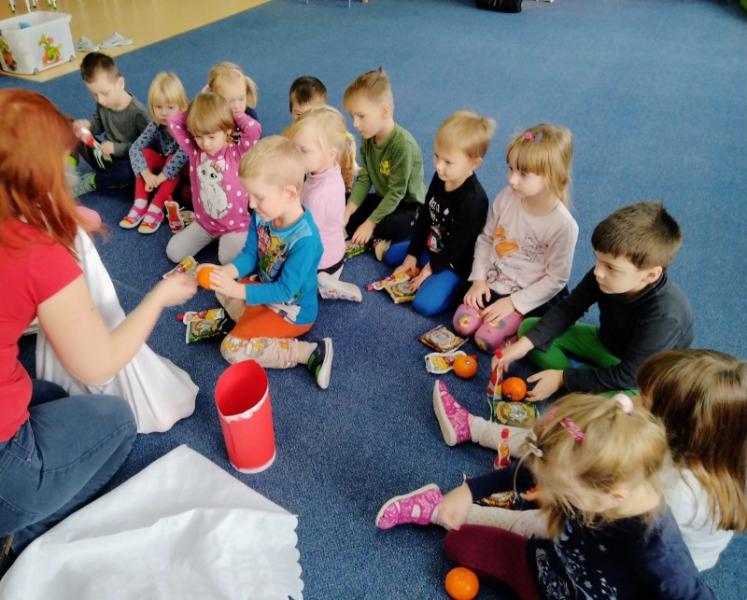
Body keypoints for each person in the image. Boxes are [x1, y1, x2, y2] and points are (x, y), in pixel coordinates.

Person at [0, 89, 197, 564]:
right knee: (116, 420)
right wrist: (159, 297)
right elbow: (99, 364)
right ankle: (22, 535)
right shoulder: (36, 253)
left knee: (49, 394)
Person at [377, 393, 716, 599]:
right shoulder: (593, 478)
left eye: (562, 490)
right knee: (459, 542)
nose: (547, 491)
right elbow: (538, 468)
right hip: (543, 566)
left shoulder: (660, 550)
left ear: (613, 495)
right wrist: (470, 490)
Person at [498, 200, 693, 401]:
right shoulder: (604, 276)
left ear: (650, 275)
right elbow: (568, 309)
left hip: (636, 373)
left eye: (610, 267)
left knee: (624, 400)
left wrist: (563, 378)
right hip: (605, 343)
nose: (598, 271)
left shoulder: (666, 316)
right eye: (598, 260)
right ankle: (586, 383)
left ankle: (582, 383)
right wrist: (524, 345)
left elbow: (629, 376)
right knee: (529, 329)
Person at [207, 136, 334, 389]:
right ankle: (252, 322)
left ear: (289, 193)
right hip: (265, 291)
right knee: (221, 290)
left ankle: (308, 351)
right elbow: (250, 254)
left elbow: (285, 291)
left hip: (292, 311)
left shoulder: (306, 240)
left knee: (231, 349)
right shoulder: (263, 214)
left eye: (259, 197)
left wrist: (239, 290)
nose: (251, 204)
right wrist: (227, 272)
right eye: (249, 195)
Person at [452, 124, 578, 352]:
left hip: (526, 293)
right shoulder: (506, 197)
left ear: (552, 176)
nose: (512, 179)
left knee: (486, 340)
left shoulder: (563, 226)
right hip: (493, 280)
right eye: (511, 168)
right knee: (462, 325)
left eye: (523, 174)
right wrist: (479, 279)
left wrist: (514, 303)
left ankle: (519, 325)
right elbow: (486, 239)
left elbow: (556, 279)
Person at [637, 349, 747, 570]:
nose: (633, 404)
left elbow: (632, 528)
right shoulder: (728, 451)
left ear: (680, 430)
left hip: (667, 562)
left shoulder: (677, 492)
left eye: (644, 404)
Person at [383, 111, 494, 316]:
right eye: (436, 156)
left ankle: (450, 289)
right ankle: (422, 264)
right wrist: (412, 254)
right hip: (431, 247)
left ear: (474, 163)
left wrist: (429, 269)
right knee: (391, 256)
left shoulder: (475, 201)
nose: (439, 166)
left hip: (454, 263)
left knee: (424, 305)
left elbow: (457, 247)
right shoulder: (441, 176)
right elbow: (426, 216)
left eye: (448, 162)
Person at [165, 92, 262, 264]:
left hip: (234, 227)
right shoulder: (195, 151)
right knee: (173, 252)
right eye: (199, 136)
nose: (205, 143)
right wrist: (198, 113)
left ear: (227, 130)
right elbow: (173, 122)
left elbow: (254, 129)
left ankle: (241, 238)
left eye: (211, 136)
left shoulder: (237, 153)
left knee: (227, 259)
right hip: (204, 224)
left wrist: (228, 113)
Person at [342, 68, 425, 260]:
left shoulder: (402, 145)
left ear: (384, 111)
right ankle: (374, 239)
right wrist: (346, 212)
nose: (355, 124)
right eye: (352, 117)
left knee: (391, 225)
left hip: (408, 206)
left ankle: (374, 237)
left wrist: (370, 223)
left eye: (361, 116)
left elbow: (396, 193)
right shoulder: (368, 137)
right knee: (344, 203)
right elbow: (365, 178)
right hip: (384, 199)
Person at [284, 106, 362, 302]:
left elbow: (305, 242)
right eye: (296, 149)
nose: (297, 156)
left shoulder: (319, 196)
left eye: (304, 151)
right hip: (333, 252)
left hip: (323, 264)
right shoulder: (328, 169)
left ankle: (323, 284)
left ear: (330, 153)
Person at [71, 52, 149, 196]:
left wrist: (116, 148)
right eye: (94, 95)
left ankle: (93, 181)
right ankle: (69, 171)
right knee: (74, 127)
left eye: (104, 93)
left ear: (120, 83)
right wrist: (88, 125)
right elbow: (98, 125)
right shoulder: (103, 103)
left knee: (128, 171)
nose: (100, 100)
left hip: (128, 161)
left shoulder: (138, 113)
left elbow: (147, 148)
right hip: (105, 155)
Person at [122, 72, 189, 233]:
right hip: (162, 168)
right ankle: (140, 203)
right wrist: (146, 174)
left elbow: (182, 156)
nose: (164, 113)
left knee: (172, 158)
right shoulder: (155, 125)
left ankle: (156, 208)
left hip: (181, 171)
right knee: (145, 153)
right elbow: (135, 148)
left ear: (181, 107)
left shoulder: (185, 127)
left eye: (170, 107)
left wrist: (159, 178)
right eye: (159, 107)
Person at [206, 61, 260, 126]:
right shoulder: (210, 117)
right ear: (215, 100)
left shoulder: (250, 115)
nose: (237, 106)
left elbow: (257, 131)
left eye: (241, 99)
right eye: (230, 101)